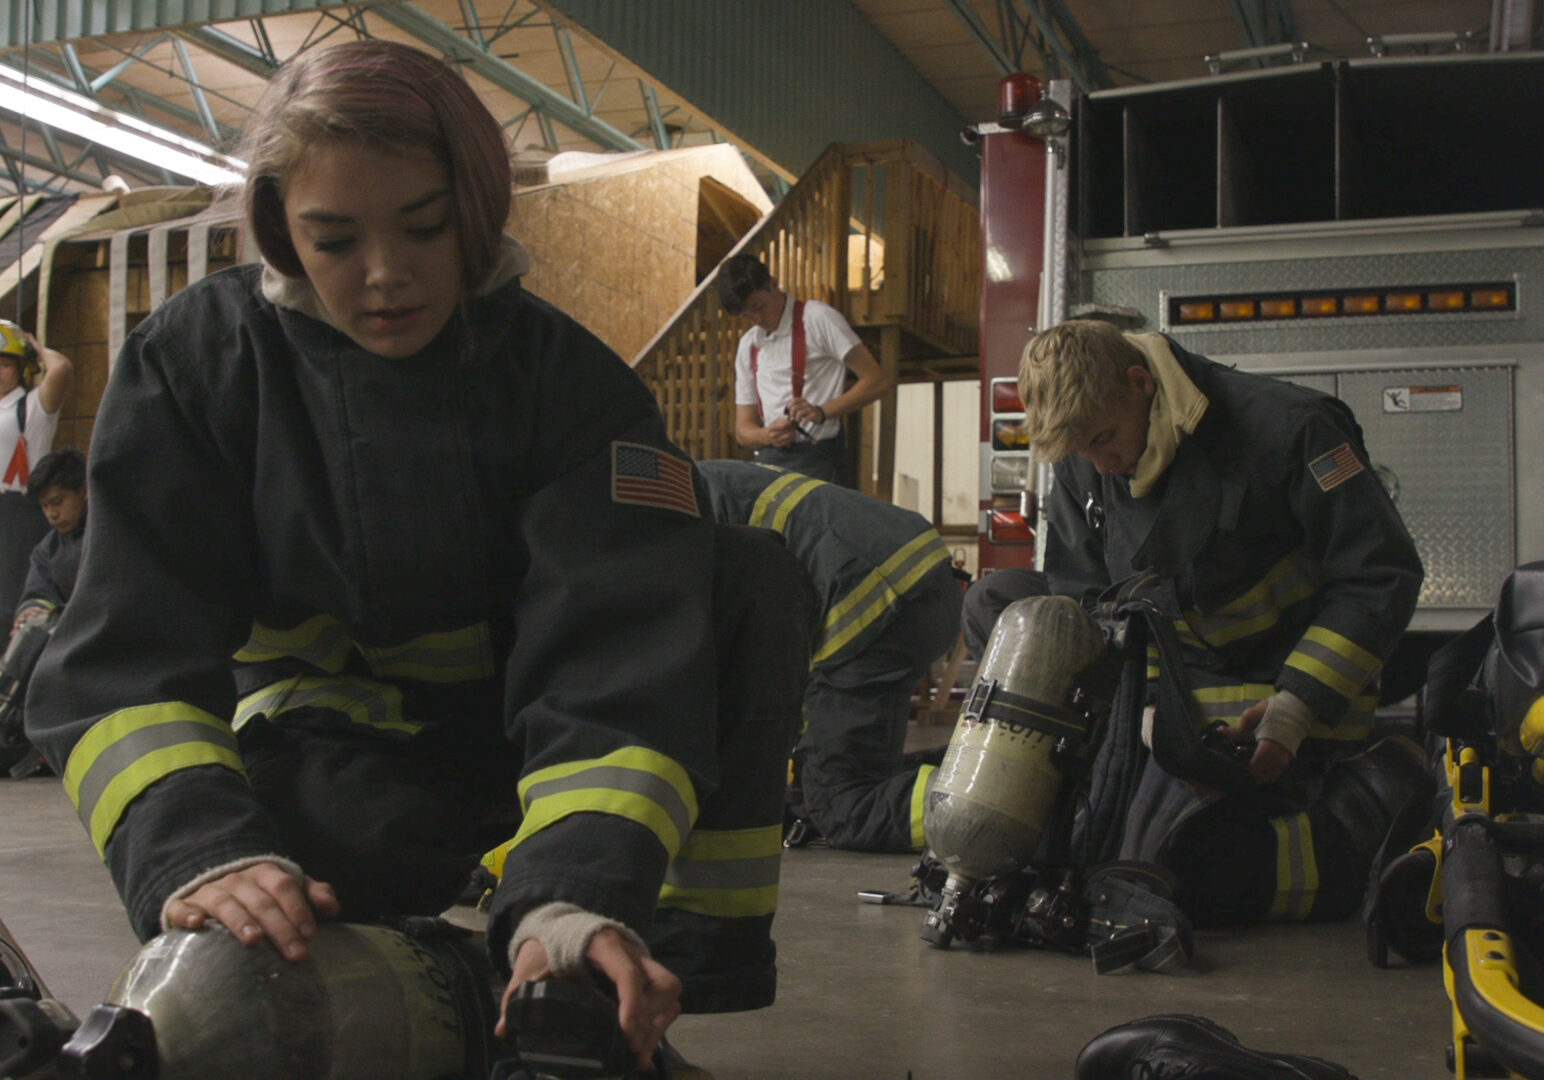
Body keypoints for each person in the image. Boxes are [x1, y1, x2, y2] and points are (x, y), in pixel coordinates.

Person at [25, 40, 816, 1072]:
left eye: (425, 228)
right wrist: (200, 851)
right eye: (334, 239)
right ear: (278, 229)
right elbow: (123, 659)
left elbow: (615, 675)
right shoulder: (193, 367)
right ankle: (490, 976)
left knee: (740, 575)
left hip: (522, 759)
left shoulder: (574, 391)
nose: (386, 274)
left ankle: (607, 979)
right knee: (263, 953)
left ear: (478, 210)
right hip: (318, 765)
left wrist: (576, 898)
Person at [964, 318, 1431, 926]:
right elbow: (1086, 599)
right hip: (1169, 692)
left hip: (1278, 690)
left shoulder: (1290, 429)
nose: (1101, 467)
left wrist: (1297, 707)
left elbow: (1380, 577)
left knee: (1187, 876)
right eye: (1082, 452)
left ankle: (1371, 809)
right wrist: (1133, 708)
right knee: (1002, 605)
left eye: (1104, 440)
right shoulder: (1089, 451)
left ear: (1141, 383)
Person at [697, 459, 961, 853]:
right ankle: (979, 773)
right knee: (830, 778)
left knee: (842, 804)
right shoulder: (692, 482)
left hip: (873, 597)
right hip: (915, 577)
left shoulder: (670, 517)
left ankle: (1000, 810)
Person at [717, 254, 892, 487]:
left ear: (773, 283)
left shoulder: (817, 318)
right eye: (747, 315)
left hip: (819, 462)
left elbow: (878, 381)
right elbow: (743, 430)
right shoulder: (749, 345)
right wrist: (766, 435)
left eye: (759, 307)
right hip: (769, 462)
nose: (757, 319)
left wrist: (822, 411)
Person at [0, 321, 72, 622]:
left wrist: (36, 347)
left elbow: (62, 369)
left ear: (22, 369)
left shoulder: (32, 408)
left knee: (11, 606)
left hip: (20, 515)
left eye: (4, 365)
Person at [13, 447, 87, 630]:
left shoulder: (111, 532)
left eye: (57, 502)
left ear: (84, 490)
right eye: (44, 506)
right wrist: (32, 610)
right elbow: (37, 594)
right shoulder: (46, 550)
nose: (52, 514)